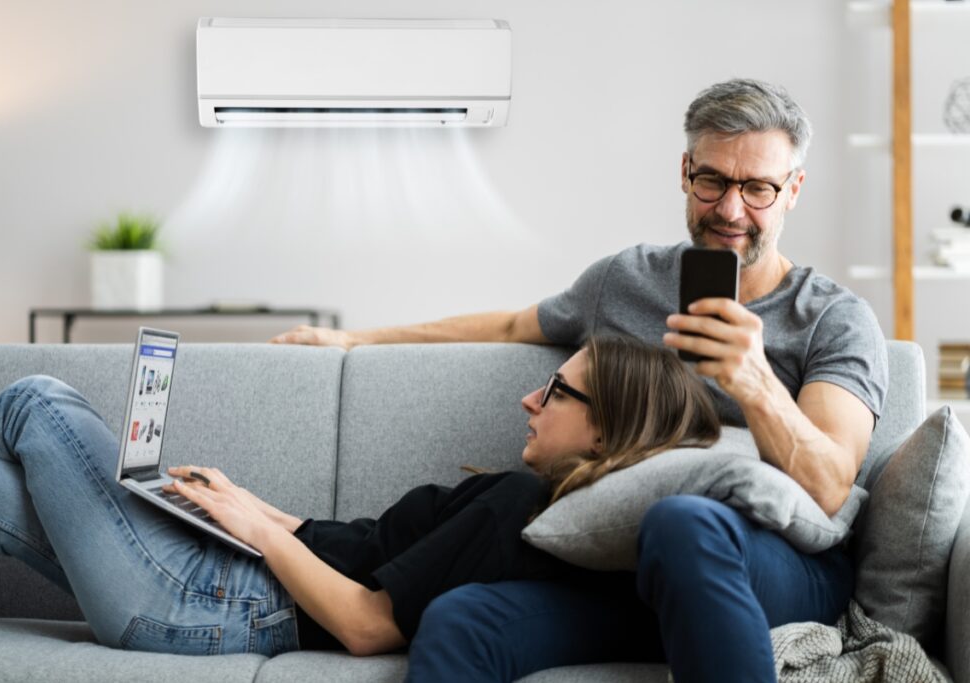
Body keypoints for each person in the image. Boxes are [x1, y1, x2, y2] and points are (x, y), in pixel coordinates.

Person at [271, 78, 889, 681]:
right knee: (462, 618)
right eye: (712, 181)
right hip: (620, 574)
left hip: (770, 568)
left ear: (793, 189)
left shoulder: (833, 320)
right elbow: (515, 324)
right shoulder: (626, 281)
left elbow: (830, 485)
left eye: (758, 188)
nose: (731, 209)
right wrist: (354, 339)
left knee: (682, 523)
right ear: (684, 172)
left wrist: (754, 382)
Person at [0, 335, 717, 658]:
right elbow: (364, 547)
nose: (529, 398)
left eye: (554, 389)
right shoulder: (527, 501)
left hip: (215, 603)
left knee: (37, 398)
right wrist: (254, 507)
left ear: (605, 428)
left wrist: (256, 528)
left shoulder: (520, 506)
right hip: (225, 577)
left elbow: (366, 624)